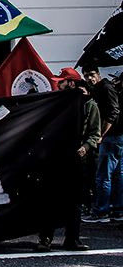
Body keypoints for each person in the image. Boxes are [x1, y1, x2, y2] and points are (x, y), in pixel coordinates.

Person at [37, 68, 101, 251]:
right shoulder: (56, 103)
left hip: (77, 159)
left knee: (75, 201)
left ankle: (72, 239)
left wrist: (86, 147)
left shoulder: (89, 105)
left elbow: (94, 133)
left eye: (62, 81)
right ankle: (45, 239)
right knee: (50, 198)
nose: (58, 84)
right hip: (56, 157)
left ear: (71, 83)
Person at [82, 66, 121, 223]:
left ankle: (102, 211)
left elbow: (113, 111)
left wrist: (101, 134)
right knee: (116, 174)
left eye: (91, 74)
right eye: (86, 76)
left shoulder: (105, 87)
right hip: (115, 136)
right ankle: (116, 209)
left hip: (112, 136)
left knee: (104, 176)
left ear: (98, 74)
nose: (89, 78)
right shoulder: (102, 88)